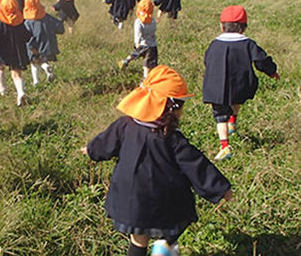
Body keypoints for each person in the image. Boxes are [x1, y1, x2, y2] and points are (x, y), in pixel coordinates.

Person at [81, 65, 233, 256]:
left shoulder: (124, 125)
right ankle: (164, 247)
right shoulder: (172, 138)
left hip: (130, 197)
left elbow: (104, 144)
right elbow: (196, 165)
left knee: (138, 238)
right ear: (171, 109)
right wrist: (220, 189)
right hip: (164, 199)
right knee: (172, 228)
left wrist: (90, 150)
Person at [203, 6, 279, 161]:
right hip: (241, 84)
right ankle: (233, 121)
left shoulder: (215, 44)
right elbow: (261, 60)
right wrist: (272, 72)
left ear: (222, 26)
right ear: (244, 27)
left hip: (216, 87)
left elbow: (207, 61)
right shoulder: (248, 44)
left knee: (220, 115)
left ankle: (224, 146)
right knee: (236, 97)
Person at [0, 0, 37, 106]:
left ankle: (2, 88)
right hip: (17, 50)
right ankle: (21, 92)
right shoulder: (20, 22)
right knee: (16, 73)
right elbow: (27, 35)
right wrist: (33, 47)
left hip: (2, 50)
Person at [23, 0, 64, 86]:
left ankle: (36, 81)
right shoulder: (46, 16)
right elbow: (59, 27)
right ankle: (47, 69)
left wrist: (31, 47)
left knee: (34, 62)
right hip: (48, 44)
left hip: (35, 45)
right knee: (43, 60)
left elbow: (27, 36)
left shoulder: (28, 21)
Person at [119, 0, 158, 79]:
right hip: (152, 46)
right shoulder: (153, 21)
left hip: (142, 44)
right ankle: (146, 78)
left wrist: (137, 42)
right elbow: (153, 31)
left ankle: (126, 61)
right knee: (148, 64)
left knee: (136, 53)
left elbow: (138, 34)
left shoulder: (138, 22)